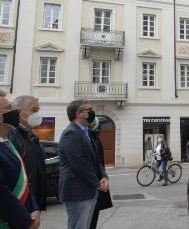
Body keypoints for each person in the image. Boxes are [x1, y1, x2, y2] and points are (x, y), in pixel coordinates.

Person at [59, 100, 109, 229]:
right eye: (89, 110)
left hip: (89, 190)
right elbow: (79, 164)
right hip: (77, 192)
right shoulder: (71, 133)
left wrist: (103, 176)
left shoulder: (85, 132)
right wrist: (97, 183)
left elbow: (96, 159)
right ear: (78, 113)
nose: (92, 112)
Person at [0, 94, 40, 229]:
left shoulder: (7, 143)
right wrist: (25, 222)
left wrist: (34, 209)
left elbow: (25, 180)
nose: (14, 112)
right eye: (9, 108)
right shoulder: (11, 139)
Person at [7, 96, 47, 212]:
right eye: (34, 110)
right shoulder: (13, 136)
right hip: (22, 205)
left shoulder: (30, 136)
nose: (38, 114)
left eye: (38, 110)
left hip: (33, 205)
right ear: (20, 112)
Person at [88, 117, 113, 229]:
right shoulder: (94, 140)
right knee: (90, 218)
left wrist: (103, 177)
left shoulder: (93, 140)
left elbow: (98, 162)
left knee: (91, 218)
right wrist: (102, 179)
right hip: (94, 183)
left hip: (96, 182)